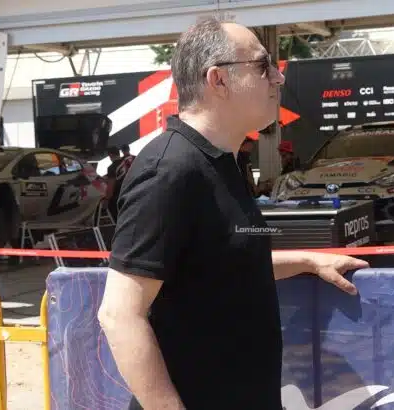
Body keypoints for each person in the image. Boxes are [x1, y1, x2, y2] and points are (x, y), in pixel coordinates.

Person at [97, 17, 368, 410]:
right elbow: (120, 314)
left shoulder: (223, 162)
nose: (278, 77)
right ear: (218, 80)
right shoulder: (169, 169)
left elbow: (218, 263)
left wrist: (308, 261)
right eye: (262, 65)